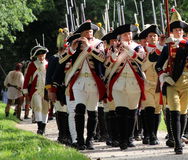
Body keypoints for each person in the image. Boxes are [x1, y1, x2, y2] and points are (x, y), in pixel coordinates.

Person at [155, 8, 188, 154]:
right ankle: (177, 143)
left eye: (180, 30)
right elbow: (158, 65)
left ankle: (179, 136)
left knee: (184, 112)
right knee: (174, 111)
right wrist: (163, 77)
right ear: (172, 31)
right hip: (172, 82)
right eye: (176, 30)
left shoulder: (187, 44)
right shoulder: (167, 47)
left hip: (186, 81)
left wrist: (180, 42)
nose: (178, 32)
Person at [64, 20, 106, 150]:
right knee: (79, 110)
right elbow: (63, 58)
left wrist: (89, 47)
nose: (89, 33)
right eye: (87, 31)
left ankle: (90, 139)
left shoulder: (98, 44)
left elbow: (102, 58)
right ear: (82, 32)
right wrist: (72, 48)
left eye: (91, 31)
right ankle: (80, 140)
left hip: (93, 81)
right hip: (78, 81)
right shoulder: (75, 43)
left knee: (92, 112)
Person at [107, 24, 146, 150]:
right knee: (121, 112)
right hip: (118, 83)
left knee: (132, 112)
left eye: (129, 34)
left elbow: (141, 59)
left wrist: (128, 48)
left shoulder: (138, 47)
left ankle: (129, 137)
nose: (128, 36)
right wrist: (116, 50)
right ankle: (122, 139)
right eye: (125, 34)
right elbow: (109, 62)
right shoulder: (114, 46)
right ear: (120, 36)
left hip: (134, 83)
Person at [139, 24, 165, 145]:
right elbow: (142, 67)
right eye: (151, 36)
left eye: (155, 36)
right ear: (147, 38)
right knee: (149, 108)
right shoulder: (142, 50)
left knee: (157, 110)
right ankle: (149, 134)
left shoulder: (164, 50)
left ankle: (153, 133)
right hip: (147, 83)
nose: (153, 38)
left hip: (160, 83)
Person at [46, 27, 71, 145]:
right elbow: (49, 76)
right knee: (60, 111)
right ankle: (63, 135)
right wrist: (50, 91)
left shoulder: (72, 56)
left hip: (70, 87)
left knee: (70, 112)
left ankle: (70, 135)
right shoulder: (55, 58)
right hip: (58, 88)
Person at [23, 45, 49, 135]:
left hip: (46, 90)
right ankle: (40, 127)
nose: (41, 57)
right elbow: (27, 78)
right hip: (36, 90)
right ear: (37, 56)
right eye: (39, 55)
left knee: (45, 109)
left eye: (43, 55)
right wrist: (25, 90)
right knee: (38, 107)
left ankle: (43, 127)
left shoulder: (48, 64)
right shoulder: (32, 65)